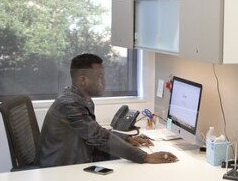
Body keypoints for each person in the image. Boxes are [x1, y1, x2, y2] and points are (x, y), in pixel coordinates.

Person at [38, 53, 178, 167]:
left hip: (75, 159)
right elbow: (99, 137)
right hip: (60, 170)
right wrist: (145, 157)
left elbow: (94, 132)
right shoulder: (70, 104)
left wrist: (126, 138)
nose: (104, 81)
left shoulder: (81, 98)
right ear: (82, 80)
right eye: (100, 77)